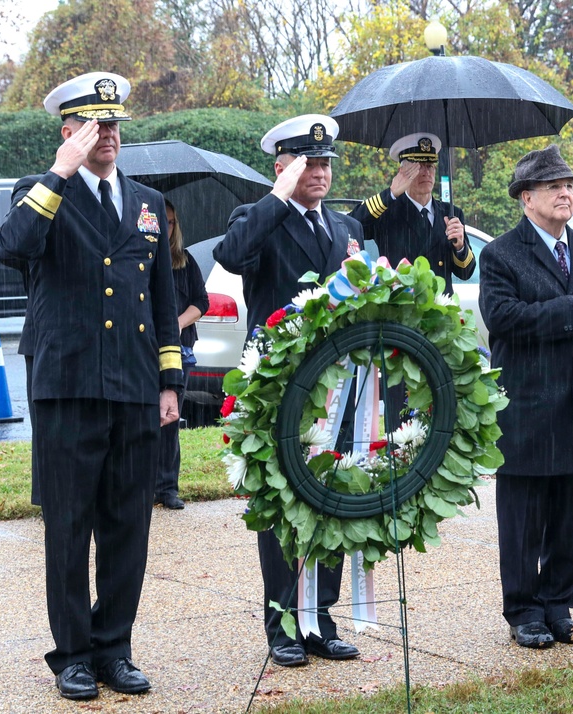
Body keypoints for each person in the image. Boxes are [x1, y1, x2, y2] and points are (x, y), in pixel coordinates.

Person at [0, 72, 182, 700]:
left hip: (132, 385)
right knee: (70, 527)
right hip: (69, 383)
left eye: (115, 123)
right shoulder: (41, 192)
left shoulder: (148, 202)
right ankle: (72, 655)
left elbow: (164, 302)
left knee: (129, 524)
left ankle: (114, 648)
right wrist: (59, 174)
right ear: (68, 132)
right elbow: (14, 246)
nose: (109, 134)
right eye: (94, 124)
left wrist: (169, 383)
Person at [213, 114, 362, 668]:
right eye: (307, 162)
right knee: (282, 504)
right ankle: (282, 624)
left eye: (324, 163)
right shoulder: (259, 217)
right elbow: (230, 257)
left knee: (334, 499)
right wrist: (275, 197)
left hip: (340, 385)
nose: (319, 172)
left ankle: (321, 616)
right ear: (282, 167)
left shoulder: (348, 228)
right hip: (282, 389)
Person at [478, 145, 573, 649]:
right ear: (526, 198)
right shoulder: (500, 254)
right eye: (553, 187)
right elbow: (503, 320)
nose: (566, 193)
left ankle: (559, 605)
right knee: (524, 518)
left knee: (571, 516)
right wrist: (568, 310)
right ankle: (524, 611)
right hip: (528, 408)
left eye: (570, 186)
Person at [349, 132, 474, 296]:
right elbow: (350, 227)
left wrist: (460, 247)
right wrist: (391, 193)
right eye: (418, 166)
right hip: (400, 310)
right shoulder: (387, 209)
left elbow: (465, 273)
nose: (426, 172)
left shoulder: (451, 213)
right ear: (402, 171)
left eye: (430, 166)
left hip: (440, 311)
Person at [155, 199, 209, 510]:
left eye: (172, 222)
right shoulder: (140, 258)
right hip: (142, 350)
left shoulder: (184, 261)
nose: (166, 227)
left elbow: (201, 301)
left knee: (170, 419)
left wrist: (175, 323)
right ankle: (144, 485)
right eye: (161, 221)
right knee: (142, 421)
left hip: (179, 350)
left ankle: (167, 487)